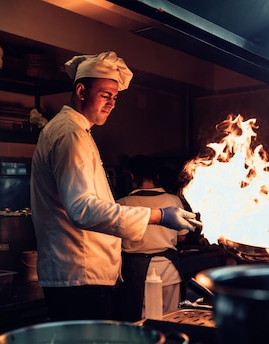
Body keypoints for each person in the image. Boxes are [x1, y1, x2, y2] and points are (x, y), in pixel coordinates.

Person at [30, 51, 200, 321]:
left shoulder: (75, 131)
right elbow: (82, 208)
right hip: (80, 276)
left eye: (115, 97)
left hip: (81, 275)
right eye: (105, 95)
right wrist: (159, 215)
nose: (111, 104)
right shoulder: (70, 134)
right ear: (81, 91)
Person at [117, 155, 188, 321]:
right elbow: (182, 237)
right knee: (173, 322)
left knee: (142, 325)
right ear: (157, 176)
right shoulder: (173, 200)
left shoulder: (122, 204)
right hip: (170, 273)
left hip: (137, 275)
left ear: (132, 176)